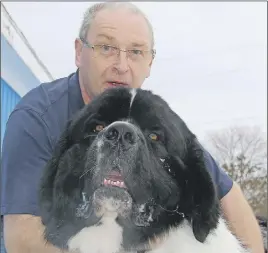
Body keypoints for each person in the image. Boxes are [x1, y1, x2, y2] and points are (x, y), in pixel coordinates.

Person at [1, 2, 264, 253]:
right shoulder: (39, 116)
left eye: (136, 52)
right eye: (106, 47)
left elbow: (228, 197)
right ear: (79, 52)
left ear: (150, 63)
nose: (121, 66)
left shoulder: (159, 121)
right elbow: (22, 239)